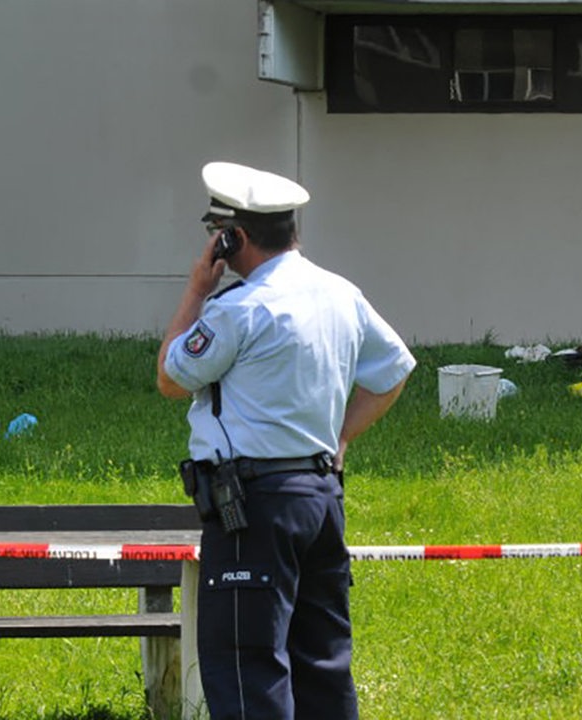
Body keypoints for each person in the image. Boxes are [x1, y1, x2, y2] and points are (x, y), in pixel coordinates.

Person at [156, 161, 416, 720]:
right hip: (321, 498)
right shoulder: (340, 293)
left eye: (213, 232)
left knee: (247, 667)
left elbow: (170, 378)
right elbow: (394, 371)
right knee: (321, 663)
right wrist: (341, 437)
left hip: (251, 509)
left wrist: (197, 290)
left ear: (233, 238)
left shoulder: (237, 309)